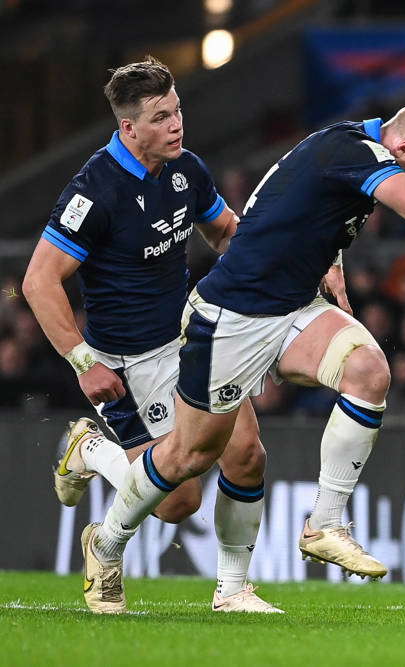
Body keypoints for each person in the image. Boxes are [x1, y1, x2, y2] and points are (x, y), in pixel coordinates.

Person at [70, 98, 405, 612]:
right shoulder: (353, 149)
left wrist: (330, 255)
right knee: (190, 460)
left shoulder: (347, 147)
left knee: (364, 371)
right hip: (231, 319)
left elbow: (304, 201)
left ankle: (300, 541)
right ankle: (107, 541)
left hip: (292, 307)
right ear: (402, 145)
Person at [22, 57, 280, 614]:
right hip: (130, 363)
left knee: (247, 454)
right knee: (177, 501)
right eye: (161, 117)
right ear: (128, 128)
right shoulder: (95, 192)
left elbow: (226, 232)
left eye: (178, 110)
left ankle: (233, 589)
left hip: (191, 339)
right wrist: (82, 360)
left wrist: (283, 267)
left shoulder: (186, 169)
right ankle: (89, 449)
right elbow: (39, 280)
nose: (176, 125)